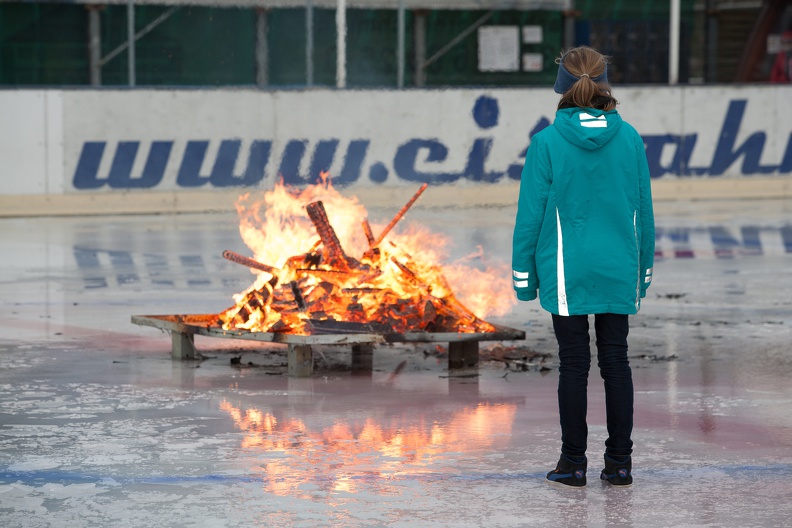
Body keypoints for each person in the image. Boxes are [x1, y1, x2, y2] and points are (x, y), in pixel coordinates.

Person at [511, 46, 655, 487]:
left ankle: (573, 463)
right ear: (604, 82)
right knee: (617, 361)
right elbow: (644, 211)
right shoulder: (629, 137)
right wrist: (642, 272)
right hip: (617, 266)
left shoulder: (547, 142)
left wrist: (523, 277)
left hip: (564, 270)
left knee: (574, 363)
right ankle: (620, 464)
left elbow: (530, 215)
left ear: (561, 85)